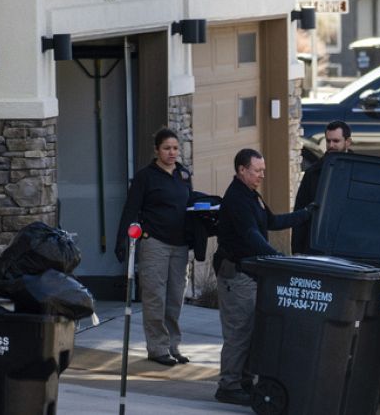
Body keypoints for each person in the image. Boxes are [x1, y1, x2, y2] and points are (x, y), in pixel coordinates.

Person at [212, 148, 314, 406]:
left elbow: (271, 221)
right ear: (242, 170)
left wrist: (305, 214)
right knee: (239, 332)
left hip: (251, 274)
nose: (262, 175)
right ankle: (229, 385)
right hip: (236, 276)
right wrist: (277, 257)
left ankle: (244, 381)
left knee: (251, 331)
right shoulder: (236, 199)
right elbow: (251, 237)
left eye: (263, 170)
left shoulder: (251, 195)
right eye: (257, 171)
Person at [116, 127, 210, 367]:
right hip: (154, 243)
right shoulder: (145, 176)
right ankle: (157, 348)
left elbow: (189, 206)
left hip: (180, 246)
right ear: (156, 150)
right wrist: (121, 240)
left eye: (175, 148)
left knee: (175, 298)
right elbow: (130, 208)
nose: (172, 153)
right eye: (167, 148)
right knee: (155, 296)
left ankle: (173, 346)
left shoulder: (183, 175)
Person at [291, 121, 352, 254]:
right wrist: (297, 251)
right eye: (328, 141)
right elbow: (301, 211)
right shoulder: (313, 173)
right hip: (317, 246)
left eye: (336, 141)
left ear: (348, 142)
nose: (331, 145)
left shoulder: (359, 171)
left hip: (349, 245)